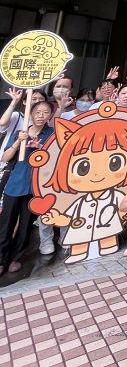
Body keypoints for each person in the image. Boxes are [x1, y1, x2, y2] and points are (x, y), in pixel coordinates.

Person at [0, 101, 54, 274]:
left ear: (50, 116)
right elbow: (5, 157)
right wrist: (18, 142)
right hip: (15, 183)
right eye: (37, 112)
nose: (41, 115)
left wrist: (40, 147)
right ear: (30, 114)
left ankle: (16, 257)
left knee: (25, 224)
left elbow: (55, 160)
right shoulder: (20, 132)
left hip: (36, 187)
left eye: (45, 112)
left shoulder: (51, 134)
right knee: (6, 223)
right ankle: (1, 258)